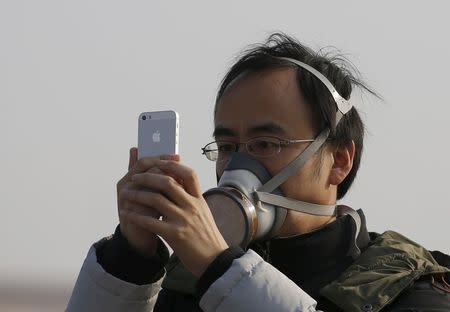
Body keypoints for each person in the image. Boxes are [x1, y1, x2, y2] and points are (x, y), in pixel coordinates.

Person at [67, 33, 450, 311]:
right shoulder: (182, 282)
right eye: (228, 147)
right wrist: (129, 261)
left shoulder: (408, 288)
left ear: (339, 161)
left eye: (266, 144)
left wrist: (220, 267)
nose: (238, 166)